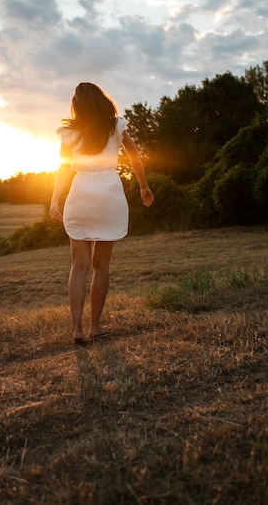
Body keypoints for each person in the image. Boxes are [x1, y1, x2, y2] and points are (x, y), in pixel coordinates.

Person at [50, 82, 154, 344]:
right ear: (101, 100)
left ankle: (76, 329)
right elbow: (135, 158)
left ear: (77, 106)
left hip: (81, 193)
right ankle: (94, 326)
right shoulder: (116, 125)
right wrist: (143, 186)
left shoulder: (69, 132)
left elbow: (63, 168)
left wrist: (54, 200)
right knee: (101, 265)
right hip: (109, 193)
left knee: (79, 264)